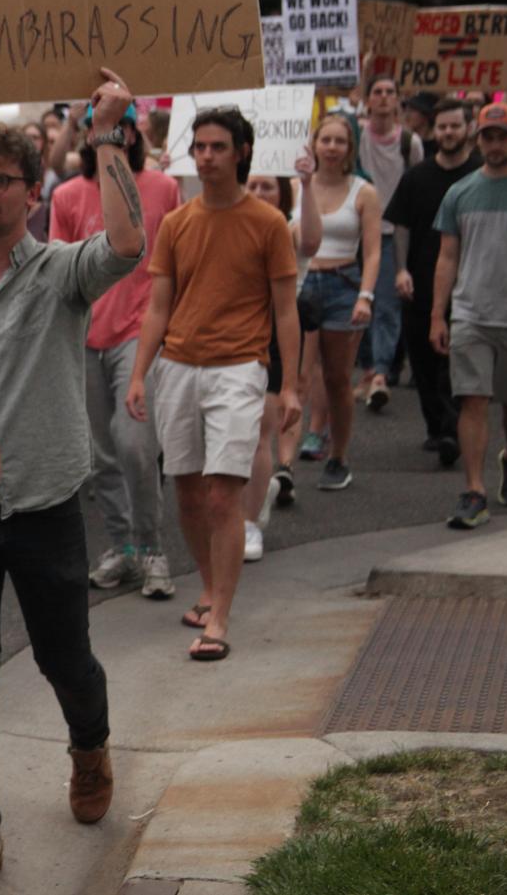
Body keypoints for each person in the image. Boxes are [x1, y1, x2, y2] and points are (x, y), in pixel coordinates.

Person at [0, 71, 146, 895]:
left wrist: (107, 135)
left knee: (64, 659)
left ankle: (89, 742)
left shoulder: (58, 273)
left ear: (29, 193)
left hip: (46, 502)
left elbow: (128, 246)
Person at [125, 108, 302, 662]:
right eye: (199, 146)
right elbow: (158, 307)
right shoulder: (177, 223)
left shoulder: (268, 222)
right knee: (187, 491)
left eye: (218, 147)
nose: (206, 156)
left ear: (242, 152)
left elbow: (286, 311)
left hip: (240, 367)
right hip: (176, 365)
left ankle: (219, 618)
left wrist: (290, 386)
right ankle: (208, 586)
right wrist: (138, 373)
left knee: (224, 493)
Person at [49, 102, 180, 597]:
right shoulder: (66, 194)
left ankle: (152, 549)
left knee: (135, 445)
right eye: (102, 129)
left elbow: (173, 264)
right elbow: (59, 267)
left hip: (138, 333)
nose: (114, 137)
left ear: (134, 134)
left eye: (122, 128)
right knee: (101, 454)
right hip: (83, 336)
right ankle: (124, 549)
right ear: (88, 137)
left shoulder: (163, 189)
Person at [431, 102, 507, 529]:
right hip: (471, 313)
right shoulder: (460, 192)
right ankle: (474, 490)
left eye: (502, 136)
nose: (494, 144)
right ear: (479, 139)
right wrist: (439, 314)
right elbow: (447, 256)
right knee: (472, 399)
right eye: (487, 137)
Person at [387, 97, 481, 468]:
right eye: (442, 126)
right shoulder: (417, 176)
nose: (448, 132)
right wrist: (400, 270)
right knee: (424, 361)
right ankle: (436, 425)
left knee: (456, 361)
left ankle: (451, 429)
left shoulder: (479, 174)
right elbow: (401, 227)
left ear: (468, 128)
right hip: (421, 284)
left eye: (455, 126)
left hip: (470, 286)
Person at [294, 114, 381, 491]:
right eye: (325, 140)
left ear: (350, 149)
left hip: (343, 286)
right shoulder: (298, 185)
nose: (331, 148)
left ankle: (339, 456)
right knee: (297, 376)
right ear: (314, 145)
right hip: (299, 283)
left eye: (339, 142)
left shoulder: (364, 191)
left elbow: (375, 252)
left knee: (336, 378)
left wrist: (366, 295)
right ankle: (284, 461)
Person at [242, 158, 323, 560]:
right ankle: (254, 498)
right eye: (252, 187)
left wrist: (307, 184)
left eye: (268, 188)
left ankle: (250, 523)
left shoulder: (288, 230)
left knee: (259, 432)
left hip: (276, 335)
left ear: (283, 193)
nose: (259, 195)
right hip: (231, 334)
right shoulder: (232, 225)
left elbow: (310, 242)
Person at [355, 75, 422, 409]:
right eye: (377, 92)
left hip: (390, 233)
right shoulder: (356, 136)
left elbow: (417, 186)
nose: (383, 97)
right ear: (368, 100)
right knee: (358, 304)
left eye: (389, 92)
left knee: (386, 306)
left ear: (398, 100)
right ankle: (369, 369)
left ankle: (380, 373)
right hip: (355, 231)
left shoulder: (409, 142)